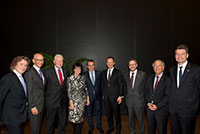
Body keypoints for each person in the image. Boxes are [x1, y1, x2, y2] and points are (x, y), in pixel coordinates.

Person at [169, 44, 200, 134]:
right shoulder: (172, 70)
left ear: (187, 55)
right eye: (177, 54)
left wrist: (194, 106)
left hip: (188, 110)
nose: (179, 56)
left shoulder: (196, 69)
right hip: (174, 110)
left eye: (182, 54)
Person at [0, 56, 30, 134]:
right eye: (21, 64)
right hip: (11, 117)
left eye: (25, 65)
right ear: (14, 64)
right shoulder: (7, 78)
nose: (24, 67)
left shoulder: (22, 77)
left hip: (21, 116)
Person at [145, 59, 171, 134]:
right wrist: (148, 103)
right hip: (149, 109)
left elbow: (167, 96)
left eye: (159, 66)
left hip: (161, 110)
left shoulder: (168, 80)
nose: (157, 67)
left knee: (161, 130)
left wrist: (157, 106)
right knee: (150, 130)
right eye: (155, 66)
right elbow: (146, 92)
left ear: (163, 67)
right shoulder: (149, 78)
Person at [44, 54, 68, 134]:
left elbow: (65, 87)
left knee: (62, 122)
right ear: (54, 61)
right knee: (50, 123)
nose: (60, 62)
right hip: (51, 102)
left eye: (61, 61)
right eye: (58, 60)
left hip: (63, 101)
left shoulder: (65, 71)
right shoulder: (47, 72)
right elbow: (44, 87)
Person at [102, 56, 124, 134]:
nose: (109, 63)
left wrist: (120, 96)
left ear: (114, 63)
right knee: (109, 115)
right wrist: (103, 94)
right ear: (106, 63)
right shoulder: (103, 72)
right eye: (108, 62)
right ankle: (111, 128)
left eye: (111, 62)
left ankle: (118, 129)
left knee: (117, 114)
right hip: (106, 98)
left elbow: (121, 85)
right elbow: (103, 85)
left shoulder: (118, 72)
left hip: (115, 98)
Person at [123, 59, 146, 134]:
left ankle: (141, 132)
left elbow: (145, 88)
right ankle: (132, 131)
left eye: (133, 64)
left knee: (140, 119)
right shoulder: (125, 75)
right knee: (130, 119)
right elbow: (125, 88)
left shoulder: (142, 74)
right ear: (128, 66)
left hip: (139, 101)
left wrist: (144, 99)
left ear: (136, 65)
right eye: (130, 64)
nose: (132, 66)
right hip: (129, 101)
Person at [24, 53, 45, 134]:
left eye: (42, 60)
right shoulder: (30, 72)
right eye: (38, 60)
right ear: (33, 61)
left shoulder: (40, 71)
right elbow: (29, 90)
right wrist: (32, 106)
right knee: (34, 129)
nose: (40, 62)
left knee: (38, 128)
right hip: (35, 106)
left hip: (40, 104)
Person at [67, 63, 90, 134]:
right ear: (73, 69)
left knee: (80, 117)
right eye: (76, 68)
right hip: (73, 101)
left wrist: (88, 99)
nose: (78, 70)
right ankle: (74, 131)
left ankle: (79, 131)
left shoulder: (83, 78)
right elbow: (69, 91)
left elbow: (85, 89)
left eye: (79, 68)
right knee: (74, 118)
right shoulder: (69, 79)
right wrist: (71, 102)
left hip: (82, 101)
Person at [83, 59, 104, 134]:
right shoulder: (84, 75)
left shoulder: (99, 73)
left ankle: (99, 126)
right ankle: (91, 127)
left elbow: (102, 85)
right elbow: (83, 87)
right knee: (89, 113)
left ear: (94, 65)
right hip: (89, 97)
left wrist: (103, 94)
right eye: (89, 65)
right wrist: (86, 97)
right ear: (87, 66)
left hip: (98, 96)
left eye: (92, 65)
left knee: (99, 112)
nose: (91, 67)